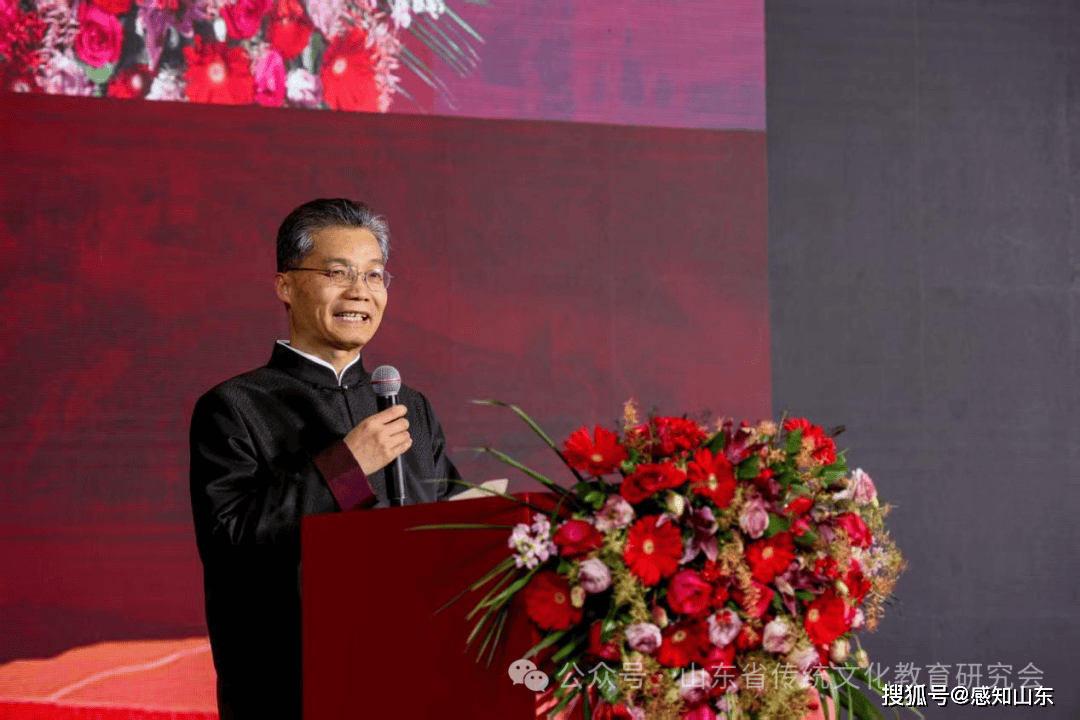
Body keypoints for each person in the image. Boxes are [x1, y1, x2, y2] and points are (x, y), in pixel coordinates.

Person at [189, 198, 462, 719]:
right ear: (285, 286)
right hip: (293, 689)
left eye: (374, 275)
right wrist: (347, 465)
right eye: (338, 273)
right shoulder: (235, 406)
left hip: (410, 682)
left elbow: (449, 524)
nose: (360, 291)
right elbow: (232, 543)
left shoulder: (409, 407)